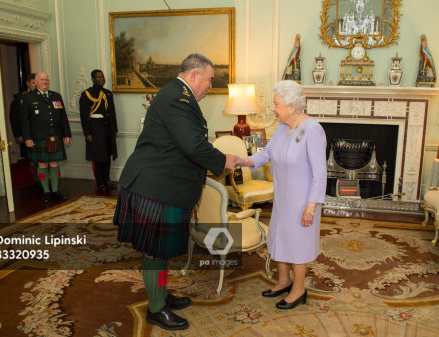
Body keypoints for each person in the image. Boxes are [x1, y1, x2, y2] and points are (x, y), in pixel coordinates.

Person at [113, 54, 238, 331]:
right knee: (155, 251)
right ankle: (156, 308)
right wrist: (222, 160)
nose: (210, 86)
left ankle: (161, 294)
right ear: (194, 76)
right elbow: (192, 145)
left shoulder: (178, 95)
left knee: (160, 251)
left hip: (162, 184)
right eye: (208, 80)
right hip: (154, 187)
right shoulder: (177, 97)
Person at [236, 80, 327, 310]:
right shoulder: (281, 127)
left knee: (297, 244)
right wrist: (245, 161)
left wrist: (311, 207)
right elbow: (267, 153)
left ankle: (298, 290)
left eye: (276, 104)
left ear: (292, 106)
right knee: (281, 238)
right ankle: (284, 281)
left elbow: (320, 174)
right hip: (283, 198)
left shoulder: (313, 130)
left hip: (302, 201)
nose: (273, 109)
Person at [20, 72, 72, 203]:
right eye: (42, 80)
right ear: (36, 82)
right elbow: (24, 121)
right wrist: (27, 138)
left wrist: (67, 134)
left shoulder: (56, 96)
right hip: (38, 137)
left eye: (47, 80)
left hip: (56, 135)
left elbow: (63, 118)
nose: (45, 82)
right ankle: (46, 192)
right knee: (42, 164)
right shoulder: (28, 97)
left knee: (54, 163)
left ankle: (55, 190)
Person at [79, 70, 118, 191]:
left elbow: (112, 113)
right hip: (95, 128)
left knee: (107, 155)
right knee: (98, 156)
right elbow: (84, 116)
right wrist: (87, 133)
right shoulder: (87, 94)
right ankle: (99, 181)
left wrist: (115, 129)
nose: (102, 79)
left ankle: (107, 180)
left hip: (107, 127)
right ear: (93, 79)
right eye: (99, 77)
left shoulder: (108, 94)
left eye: (102, 76)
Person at [9, 73, 40, 190]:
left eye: (37, 83)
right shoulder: (19, 98)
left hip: (39, 133)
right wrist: (18, 134)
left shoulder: (42, 96)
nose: (35, 85)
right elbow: (14, 118)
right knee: (32, 159)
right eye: (33, 83)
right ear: (28, 83)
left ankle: (42, 180)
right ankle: (36, 181)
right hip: (27, 134)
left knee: (41, 159)